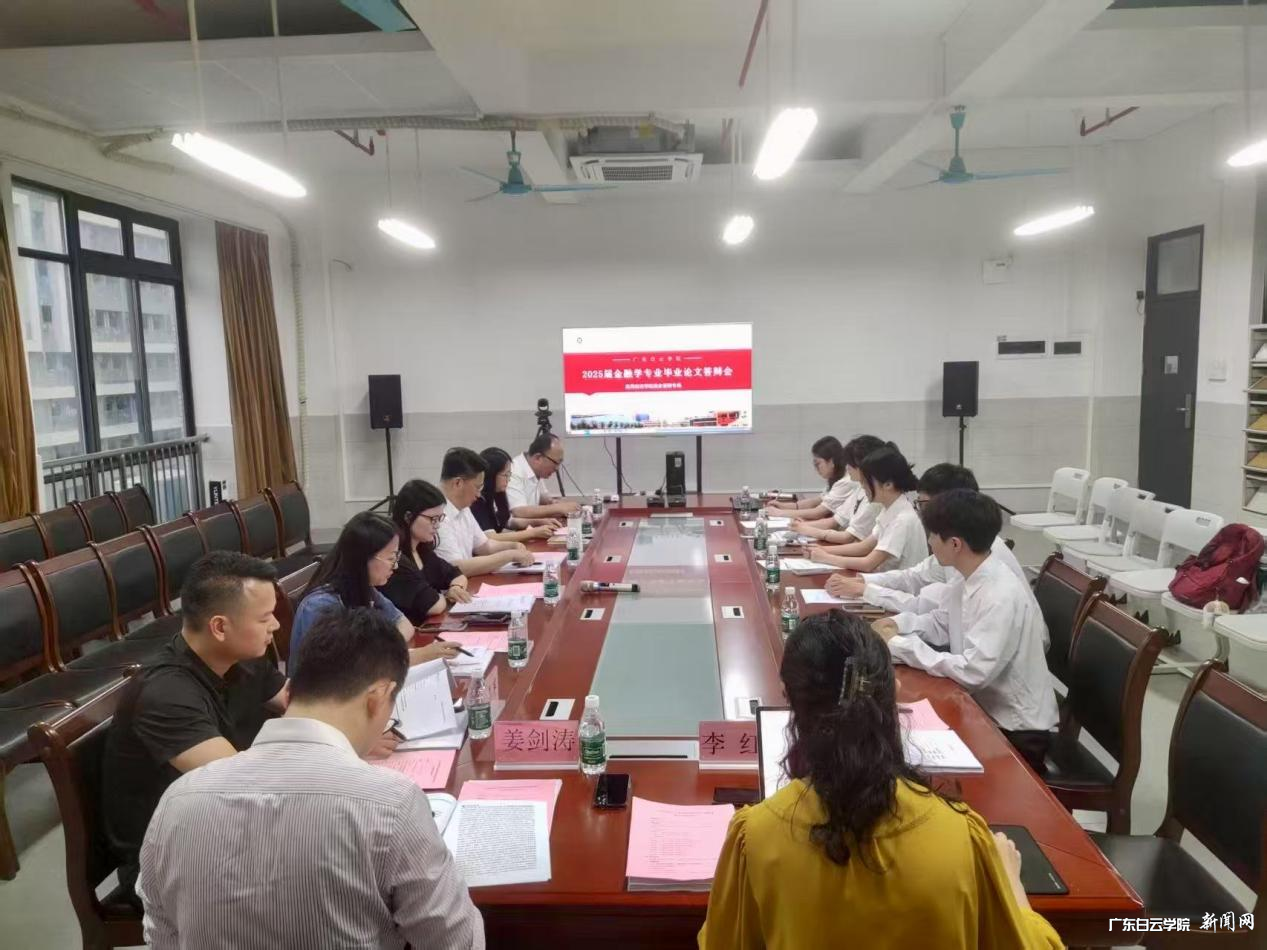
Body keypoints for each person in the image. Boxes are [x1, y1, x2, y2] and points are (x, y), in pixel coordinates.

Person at [697, 611, 1062, 950]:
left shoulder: (758, 837)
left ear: (789, 701)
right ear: (894, 695)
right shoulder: (960, 838)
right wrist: (1013, 891)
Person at [138, 608, 485, 950]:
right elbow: (456, 941)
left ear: (290, 693)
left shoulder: (178, 799)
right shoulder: (391, 802)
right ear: (378, 697)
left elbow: (162, 935)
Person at [102, 552, 288, 901]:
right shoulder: (166, 694)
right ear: (220, 627)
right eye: (265, 618)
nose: (276, 625)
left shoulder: (240, 659)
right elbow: (240, 784)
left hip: (226, 827)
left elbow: (303, 703)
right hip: (173, 860)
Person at [872, 490, 1059, 773]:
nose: (929, 542)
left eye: (933, 536)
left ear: (955, 544)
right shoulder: (970, 575)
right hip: (982, 706)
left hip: (1014, 728)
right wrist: (898, 625)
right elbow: (942, 623)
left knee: (905, 755)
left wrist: (899, 645)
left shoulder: (1000, 594)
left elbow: (974, 671)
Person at [825, 463, 1026, 608]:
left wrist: (867, 589)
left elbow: (930, 608)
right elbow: (915, 578)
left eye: (923, 504)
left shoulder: (981, 563)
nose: (921, 513)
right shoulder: (963, 544)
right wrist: (864, 583)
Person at [290, 511, 460, 674]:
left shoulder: (365, 588)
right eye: (391, 558)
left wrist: (376, 653)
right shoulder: (319, 606)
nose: (395, 566)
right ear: (364, 558)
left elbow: (405, 625)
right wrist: (420, 656)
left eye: (396, 557)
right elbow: (347, 673)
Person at [806, 444, 927, 573]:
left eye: (866, 481)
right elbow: (864, 547)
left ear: (888, 484)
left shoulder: (902, 519)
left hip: (895, 584)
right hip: (884, 579)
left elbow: (868, 564)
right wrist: (822, 550)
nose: (863, 486)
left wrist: (825, 557)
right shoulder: (890, 509)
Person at [380, 479, 475, 624]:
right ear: (408, 517)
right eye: (432, 519)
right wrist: (446, 596)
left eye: (439, 518)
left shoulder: (423, 550)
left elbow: (457, 574)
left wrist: (456, 588)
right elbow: (432, 606)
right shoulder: (395, 559)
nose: (437, 525)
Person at [434, 447, 537, 576]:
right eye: (477, 487)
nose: (479, 494)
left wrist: (512, 546)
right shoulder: (436, 514)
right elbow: (456, 567)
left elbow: (484, 545)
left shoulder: (463, 506)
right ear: (458, 483)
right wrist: (508, 556)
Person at [791, 434, 885, 540]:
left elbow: (850, 538)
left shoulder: (873, 497)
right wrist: (802, 526)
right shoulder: (860, 488)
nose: (847, 467)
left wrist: (806, 528)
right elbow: (836, 520)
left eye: (850, 464)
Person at [471, 447, 556, 542]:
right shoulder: (477, 500)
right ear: (491, 475)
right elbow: (490, 537)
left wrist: (539, 522)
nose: (509, 479)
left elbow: (508, 522)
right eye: (505, 475)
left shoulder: (498, 493)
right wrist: (532, 533)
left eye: (509, 474)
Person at [764, 436, 852, 520]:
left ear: (831, 462)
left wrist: (780, 513)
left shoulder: (846, 482)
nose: (816, 468)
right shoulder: (835, 479)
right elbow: (815, 501)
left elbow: (819, 512)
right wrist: (783, 506)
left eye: (817, 464)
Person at [505, 432, 580, 521]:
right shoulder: (514, 471)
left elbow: (541, 497)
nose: (557, 468)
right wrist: (559, 508)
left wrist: (554, 502)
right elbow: (518, 511)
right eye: (556, 463)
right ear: (538, 458)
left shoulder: (536, 470)